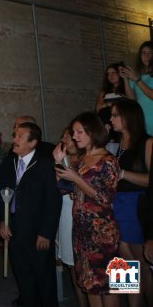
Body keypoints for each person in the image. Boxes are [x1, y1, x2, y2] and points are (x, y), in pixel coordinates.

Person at [54, 112, 121, 307]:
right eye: (74, 132)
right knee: (88, 284)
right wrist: (59, 163)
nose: (75, 136)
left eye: (79, 132)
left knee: (112, 287)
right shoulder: (81, 159)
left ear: (93, 132)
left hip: (104, 232)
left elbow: (105, 199)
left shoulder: (109, 160)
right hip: (82, 231)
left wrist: (76, 179)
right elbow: (67, 188)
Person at [0, 122, 61, 307]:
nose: (14, 140)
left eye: (20, 136)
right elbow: (1, 195)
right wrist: (1, 221)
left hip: (37, 231)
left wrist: (46, 232)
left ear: (33, 142)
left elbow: (53, 202)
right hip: (14, 229)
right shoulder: (9, 163)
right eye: (14, 135)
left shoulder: (45, 165)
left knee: (44, 278)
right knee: (23, 276)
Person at [110, 100, 153, 306]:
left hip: (137, 206)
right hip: (118, 205)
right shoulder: (119, 144)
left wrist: (123, 174)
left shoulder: (147, 142)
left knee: (143, 263)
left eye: (115, 115)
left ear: (129, 117)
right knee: (123, 263)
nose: (111, 119)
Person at [56, 127, 89, 307]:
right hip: (67, 214)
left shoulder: (93, 159)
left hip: (92, 217)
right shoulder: (63, 159)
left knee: (96, 266)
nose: (65, 139)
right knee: (72, 264)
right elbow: (58, 188)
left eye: (69, 136)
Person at [120, 41, 153, 135]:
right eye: (144, 53)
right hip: (142, 121)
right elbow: (132, 100)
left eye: (150, 53)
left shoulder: (137, 77)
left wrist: (137, 80)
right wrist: (126, 79)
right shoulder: (137, 75)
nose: (146, 56)